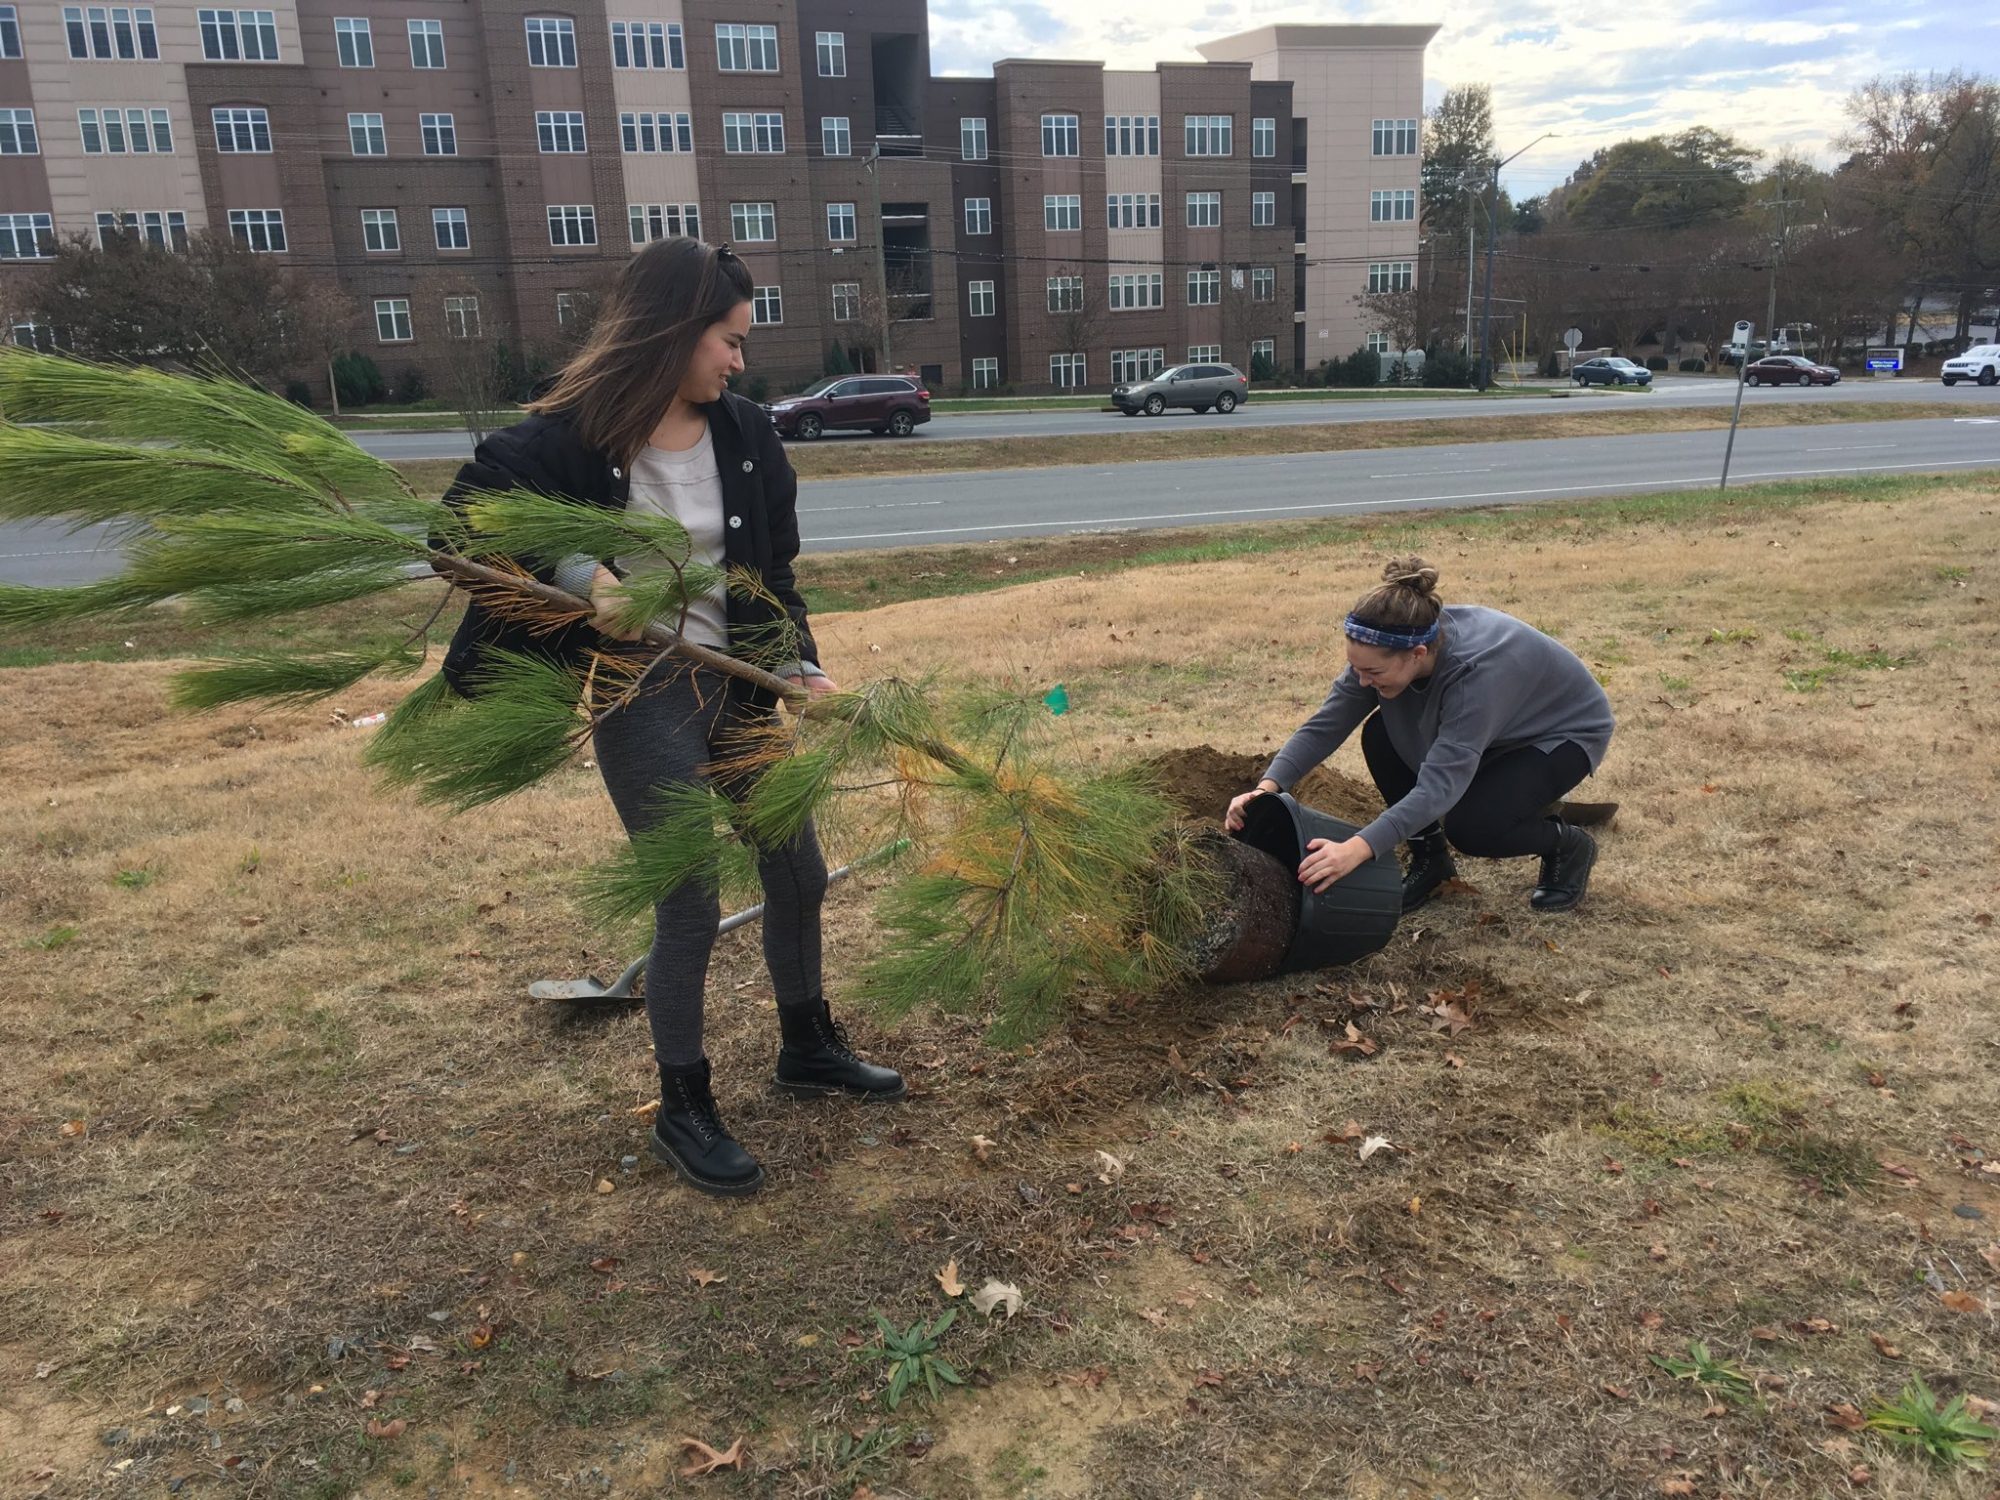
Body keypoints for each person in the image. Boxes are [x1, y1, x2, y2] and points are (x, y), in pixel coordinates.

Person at [435, 238, 903, 1198]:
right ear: (669, 332)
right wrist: (578, 575)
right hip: (638, 692)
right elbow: (457, 533)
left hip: (734, 682)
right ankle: (684, 1104)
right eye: (727, 340)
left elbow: (772, 579)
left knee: (797, 866)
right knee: (687, 896)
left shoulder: (745, 435)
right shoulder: (563, 438)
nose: (739, 360)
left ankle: (806, 1044)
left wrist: (797, 669)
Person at [1225, 556, 1614, 914]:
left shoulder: (1474, 675)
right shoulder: (1383, 647)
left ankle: (1567, 843)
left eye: (1373, 674)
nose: (1362, 681)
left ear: (1417, 653)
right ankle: (1431, 861)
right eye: (1355, 669)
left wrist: (1358, 849)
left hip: (1560, 734)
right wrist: (1267, 788)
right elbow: (1325, 725)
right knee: (1379, 734)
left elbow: (1440, 785)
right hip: (1497, 727)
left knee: (1475, 826)